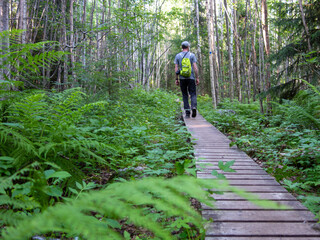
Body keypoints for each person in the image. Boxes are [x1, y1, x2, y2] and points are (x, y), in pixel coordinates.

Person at [174, 41, 199, 118]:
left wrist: (176, 79)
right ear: (188, 47)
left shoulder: (178, 56)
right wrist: (197, 77)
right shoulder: (192, 55)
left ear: (182, 47)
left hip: (182, 78)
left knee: (185, 95)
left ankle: (187, 112)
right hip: (191, 77)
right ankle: (193, 107)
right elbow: (195, 67)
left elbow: (176, 68)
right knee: (193, 94)